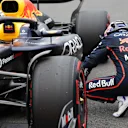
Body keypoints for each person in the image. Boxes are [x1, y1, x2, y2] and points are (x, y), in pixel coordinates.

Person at [82, 20, 128, 117]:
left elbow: (91, 60)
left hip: (124, 81)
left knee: (84, 89)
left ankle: (123, 96)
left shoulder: (110, 38)